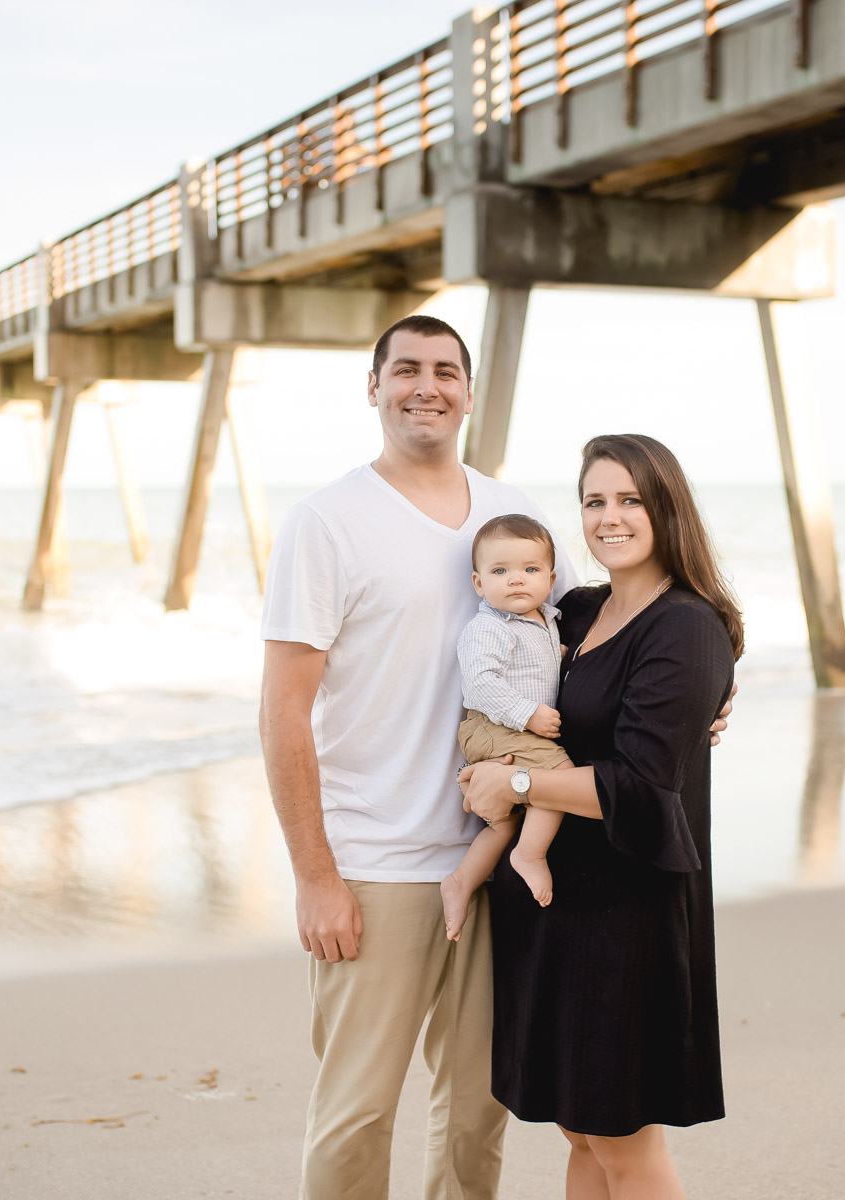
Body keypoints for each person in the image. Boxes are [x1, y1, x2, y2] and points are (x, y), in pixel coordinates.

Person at [258, 317, 731, 1200]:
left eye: (446, 371)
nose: (425, 387)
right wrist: (314, 872)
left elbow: (615, 641)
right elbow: (282, 707)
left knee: (478, 1112)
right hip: (380, 864)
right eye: (405, 370)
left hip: (504, 869)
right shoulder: (328, 521)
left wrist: (713, 687)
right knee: (359, 1112)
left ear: (471, 392)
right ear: (373, 387)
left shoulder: (512, 512)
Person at [460, 433, 744, 1200]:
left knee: (622, 1139)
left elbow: (643, 786)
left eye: (630, 499)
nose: (609, 517)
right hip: (558, 902)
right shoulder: (579, 609)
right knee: (581, 1129)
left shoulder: (685, 626)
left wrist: (512, 779)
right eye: (594, 501)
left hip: (628, 910)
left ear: (667, 508)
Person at [441, 513, 576, 942]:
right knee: (561, 778)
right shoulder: (488, 628)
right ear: (479, 584)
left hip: (509, 731)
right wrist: (527, 714)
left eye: (530, 570)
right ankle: (530, 856)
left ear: (550, 578)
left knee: (504, 820)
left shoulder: (545, 620)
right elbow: (481, 685)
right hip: (495, 725)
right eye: (500, 571)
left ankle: (461, 880)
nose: (516, 580)